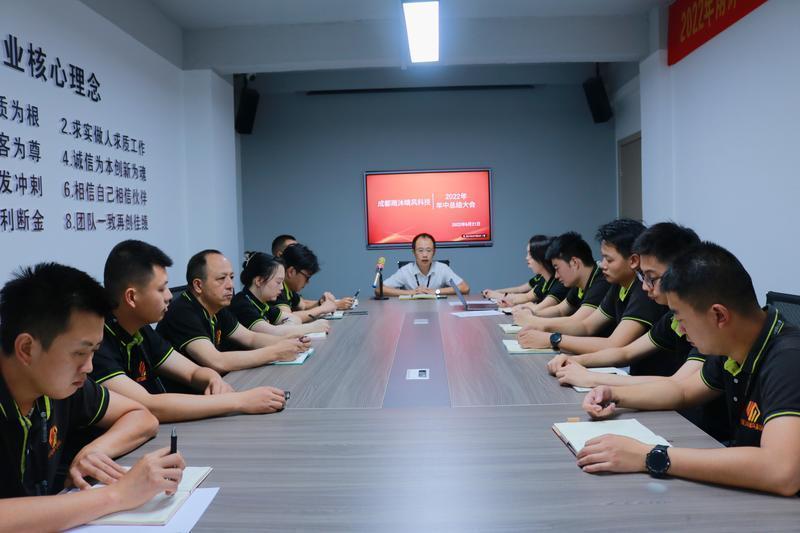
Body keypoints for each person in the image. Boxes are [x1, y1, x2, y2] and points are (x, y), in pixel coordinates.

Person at [579, 243, 800, 496]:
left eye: (682, 319)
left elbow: (782, 472)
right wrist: (614, 396)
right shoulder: (733, 347)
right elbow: (682, 391)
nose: (680, 329)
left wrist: (649, 455)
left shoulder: (789, 358)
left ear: (719, 316)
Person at [0, 263, 186, 531]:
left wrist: (94, 451)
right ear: (27, 348)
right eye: (79, 353)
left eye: (94, 351)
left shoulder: (61, 385)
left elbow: (141, 417)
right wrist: (117, 495)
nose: (89, 367)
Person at [92, 240, 290, 422]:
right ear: (131, 297)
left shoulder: (141, 330)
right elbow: (149, 406)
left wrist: (212, 379)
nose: (169, 296)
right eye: (161, 289)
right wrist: (240, 401)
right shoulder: (96, 341)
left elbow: (193, 372)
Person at [549, 222, 702, 383]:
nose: (644, 286)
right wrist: (575, 361)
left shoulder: (703, 320)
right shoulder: (671, 317)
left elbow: (678, 388)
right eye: (643, 276)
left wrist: (593, 378)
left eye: (651, 277)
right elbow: (625, 352)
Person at [517, 219, 668, 354]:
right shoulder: (618, 284)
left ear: (633, 261)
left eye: (609, 259)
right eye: (603, 258)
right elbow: (587, 326)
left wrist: (551, 337)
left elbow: (615, 345)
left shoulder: (644, 291)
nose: (603, 265)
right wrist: (543, 327)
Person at [156, 250, 310, 373]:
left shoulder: (217, 306)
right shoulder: (182, 312)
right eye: (221, 279)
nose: (230, 285)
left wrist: (290, 343)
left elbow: (250, 338)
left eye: (231, 277)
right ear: (198, 285)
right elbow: (216, 361)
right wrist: (276, 352)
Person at [511, 232, 609, 327]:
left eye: (557, 268)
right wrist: (533, 314)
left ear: (574, 263)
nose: (556, 276)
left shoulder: (602, 281)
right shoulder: (579, 282)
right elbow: (560, 310)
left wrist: (533, 320)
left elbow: (578, 321)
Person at [230, 252, 330, 337]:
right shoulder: (242, 304)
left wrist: (284, 329)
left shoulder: (263, 304)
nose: (282, 288)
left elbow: (295, 319)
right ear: (259, 281)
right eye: (278, 282)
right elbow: (273, 333)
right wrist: (312, 327)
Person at [271, 243, 354, 323]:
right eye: (307, 277)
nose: (308, 282)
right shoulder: (278, 288)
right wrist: (323, 308)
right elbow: (287, 318)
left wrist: (320, 303)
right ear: (291, 272)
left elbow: (303, 305)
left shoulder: (289, 288)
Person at [484, 235, 568, 312]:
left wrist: (516, 306)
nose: (526, 258)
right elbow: (526, 297)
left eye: (530, 254)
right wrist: (509, 302)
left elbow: (538, 309)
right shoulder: (544, 280)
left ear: (541, 256)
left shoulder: (560, 283)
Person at [379, 233, 470, 297]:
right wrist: (411, 292)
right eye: (420, 250)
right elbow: (379, 290)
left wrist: (436, 291)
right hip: (410, 310)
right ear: (414, 252)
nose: (425, 255)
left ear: (434, 252)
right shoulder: (405, 270)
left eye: (429, 250)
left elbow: (464, 288)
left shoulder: (442, 268)